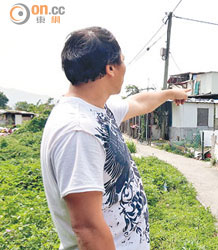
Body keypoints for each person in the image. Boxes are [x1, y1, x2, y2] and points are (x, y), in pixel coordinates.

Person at [40, 26, 189, 250]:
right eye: (122, 60)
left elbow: (140, 102)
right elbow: (87, 228)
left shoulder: (97, 108)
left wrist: (170, 94)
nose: (124, 67)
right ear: (111, 68)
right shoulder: (79, 130)